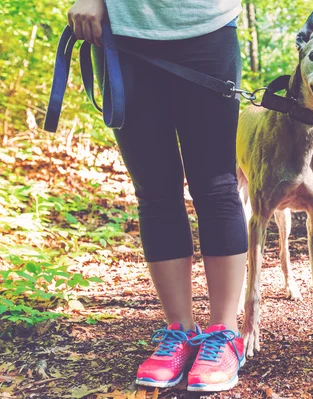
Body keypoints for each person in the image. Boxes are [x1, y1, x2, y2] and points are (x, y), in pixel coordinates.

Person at [67, 0, 248, 392]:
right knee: (154, 191)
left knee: (216, 185)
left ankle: (225, 334)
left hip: (208, 27)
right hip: (121, 33)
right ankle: (179, 331)